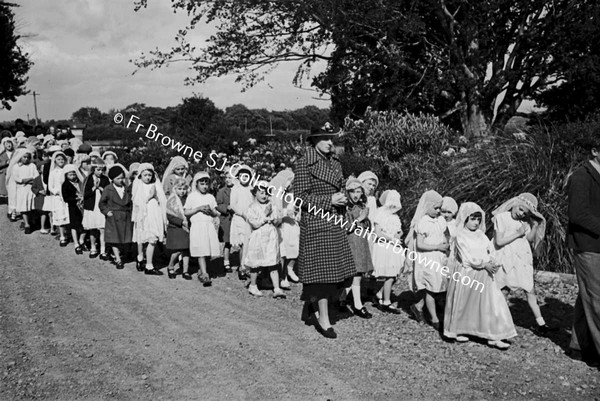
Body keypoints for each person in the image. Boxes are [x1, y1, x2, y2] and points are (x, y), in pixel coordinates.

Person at [295, 123, 356, 339]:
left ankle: (314, 307)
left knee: (337, 272)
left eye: (332, 138)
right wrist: (328, 200)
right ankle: (323, 319)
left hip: (335, 221)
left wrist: (344, 195)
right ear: (313, 141)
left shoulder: (334, 162)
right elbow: (299, 197)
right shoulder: (304, 163)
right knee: (322, 275)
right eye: (325, 139)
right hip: (317, 222)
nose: (331, 142)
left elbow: (340, 186)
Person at [443, 202, 517, 350]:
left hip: (485, 273)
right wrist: (483, 264)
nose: (476, 223)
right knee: (465, 302)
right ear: (465, 219)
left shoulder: (481, 235)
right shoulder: (460, 236)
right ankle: (459, 329)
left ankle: (494, 335)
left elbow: (490, 249)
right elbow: (466, 257)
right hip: (468, 273)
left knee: (492, 302)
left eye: (478, 219)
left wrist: (493, 261)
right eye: (472, 219)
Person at [492, 193, 551, 334]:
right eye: (520, 209)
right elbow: (499, 241)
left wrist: (534, 226)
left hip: (522, 258)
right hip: (506, 256)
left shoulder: (524, 221)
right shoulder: (502, 218)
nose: (521, 214)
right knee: (504, 289)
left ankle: (541, 323)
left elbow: (528, 239)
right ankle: (498, 323)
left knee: (530, 289)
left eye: (525, 212)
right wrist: (518, 233)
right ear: (514, 204)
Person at [567, 137, 600, 366]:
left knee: (587, 295)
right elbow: (577, 215)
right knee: (597, 299)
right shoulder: (581, 177)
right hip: (588, 246)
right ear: (595, 151)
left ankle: (579, 345)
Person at [406, 190, 449, 326]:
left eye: (439, 208)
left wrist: (446, 245)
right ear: (426, 207)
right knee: (431, 288)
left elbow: (444, 235)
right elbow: (420, 244)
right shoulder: (423, 222)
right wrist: (437, 246)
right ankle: (434, 318)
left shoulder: (440, 221)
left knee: (438, 286)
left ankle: (419, 306)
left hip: (439, 257)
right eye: (435, 208)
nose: (438, 211)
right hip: (428, 258)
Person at [244, 180, 286, 298]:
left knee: (272, 262)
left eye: (267, 193)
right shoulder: (252, 207)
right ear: (255, 193)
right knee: (256, 263)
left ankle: (276, 288)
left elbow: (277, 220)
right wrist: (265, 215)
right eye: (261, 193)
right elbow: (255, 223)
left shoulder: (272, 205)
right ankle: (253, 285)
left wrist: (276, 220)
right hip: (258, 237)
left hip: (271, 237)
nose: (264, 196)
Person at [340, 177, 374, 318]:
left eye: (358, 191)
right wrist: (360, 219)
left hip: (361, 243)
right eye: (352, 191)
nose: (356, 195)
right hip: (351, 243)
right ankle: (357, 304)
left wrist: (366, 220)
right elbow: (346, 227)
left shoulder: (361, 207)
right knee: (354, 275)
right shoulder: (345, 208)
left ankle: (342, 299)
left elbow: (366, 227)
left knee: (357, 275)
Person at [370, 189, 404, 314]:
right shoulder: (380, 213)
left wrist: (399, 235)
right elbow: (378, 233)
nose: (394, 206)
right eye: (392, 202)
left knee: (395, 273)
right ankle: (386, 302)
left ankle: (380, 294)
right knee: (390, 275)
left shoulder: (395, 216)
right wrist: (392, 239)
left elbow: (398, 230)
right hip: (384, 246)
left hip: (393, 247)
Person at [184, 172, 221, 286]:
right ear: (196, 184)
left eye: (206, 184)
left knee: (207, 249)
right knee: (201, 250)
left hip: (207, 226)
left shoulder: (210, 197)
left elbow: (216, 213)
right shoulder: (192, 196)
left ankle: (201, 270)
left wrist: (211, 211)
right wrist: (199, 208)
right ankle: (205, 274)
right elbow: (186, 212)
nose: (204, 186)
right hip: (197, 226)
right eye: (202, 183)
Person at [131, 163, 167, 275]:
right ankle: (141, 258)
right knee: (141, 237)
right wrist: (149, 197)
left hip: (154, 216)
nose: (147, 177)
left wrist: (155, 196)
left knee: (152, 239)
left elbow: (162, 201)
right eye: (145, 175)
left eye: (149, 175)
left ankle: (148, 264)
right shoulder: (138, 186)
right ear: (140, 175)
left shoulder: (156, 185)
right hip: (143, 217)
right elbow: (137, 202)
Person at [99, 165, 133, 269]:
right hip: (114, 216)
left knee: (126, 238)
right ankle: (118, 259)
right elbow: (102, 203)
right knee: (115, 238)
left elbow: (130, 202)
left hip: (126, 216)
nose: (121, 180)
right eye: (118, 178)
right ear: (112, 179)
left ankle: (122, 254)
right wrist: (106, 211)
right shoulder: (108, 189)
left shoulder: (127, 189)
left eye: (122, 178)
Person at [270, 169, 300, 288]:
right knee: (284, 251)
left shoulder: (294, 195)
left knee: (295, 248)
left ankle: (290, 267)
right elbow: (277, 209)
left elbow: (297, 207)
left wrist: (297, 212)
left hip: (293, 225)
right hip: (283, 225)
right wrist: (286, 212)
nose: (291, 186)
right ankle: (283, 276)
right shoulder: (279, 194)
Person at [229, 165, 254, 280]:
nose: (244, 178)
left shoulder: (251, 189)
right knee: (243, 244)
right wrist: (243, 213)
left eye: (247, 176)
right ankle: (242, 268)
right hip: (240, 218)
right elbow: (233, 205)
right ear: (238, 177)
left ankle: (249, 268)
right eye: (242, 176)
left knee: (250, 244)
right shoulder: (235, 189)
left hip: (250, 219)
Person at [82, 158, 110, 259]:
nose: (100, 172)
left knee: (102, 228)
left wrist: (101, 188)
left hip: (101, 207)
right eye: (98, 169)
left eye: (102, 170)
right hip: (91, 207)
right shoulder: (89, 179)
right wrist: (94, 188)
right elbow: (85, 194)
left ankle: (103, 250)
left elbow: (108, 193)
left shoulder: (105, 179)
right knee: (93, 229)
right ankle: (93, 248)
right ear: (93, 169)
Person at [165, 177, 191, 280]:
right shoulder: (171, 200)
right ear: (175, 189)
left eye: (184, 189)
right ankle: (171, 266)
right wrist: (181, 222)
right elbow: (170, 215)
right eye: (179, 189)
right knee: (177, 250)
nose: (182, 191)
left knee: (186, 250)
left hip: (187, 227)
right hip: (176, 227)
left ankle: (185, 270)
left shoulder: (188, 198)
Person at [12, 147, 38, 234]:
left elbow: (36, 177)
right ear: (20, 157)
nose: (26, 159)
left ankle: (31, 221)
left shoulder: (32, 166)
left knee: (30, 206)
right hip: (22, 189)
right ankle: (27, 224)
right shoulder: (16, 167)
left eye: (28, 157)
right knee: (23, 207)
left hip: (31, 189)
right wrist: (28, 179)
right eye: (24, 157)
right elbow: (17, 179)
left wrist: (27, 180)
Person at [61, 164, 86, 254]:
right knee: (74, 225)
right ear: (66, 175)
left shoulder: (80, 182)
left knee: (84, 224)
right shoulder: (65, 185)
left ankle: (81, 240)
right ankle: (76, 243)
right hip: (73, 207)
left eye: (74, 174)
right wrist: (76, 198)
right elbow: (66, 198)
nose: (72, 176)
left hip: (83, 206)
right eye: (70, 175)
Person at [47, 151, 70, 246]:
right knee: (60, 215)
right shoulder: (53, 173)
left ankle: (68, 233)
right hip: (58, 197)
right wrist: (56, 191)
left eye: (62, 159)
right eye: (58, 159)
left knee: (68, 214)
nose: (61, 161)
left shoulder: (67, 170)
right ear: (55, 161)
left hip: (67, 196)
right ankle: (62, 236)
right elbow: (50, 186)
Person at [215, 168, 234, 273]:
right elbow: (218, 204)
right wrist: (227, 207)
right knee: (228, 242)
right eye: (226, 178)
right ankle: (226, 262)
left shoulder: (238, 190)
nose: (228, 180)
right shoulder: (221, 191)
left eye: (230, 178)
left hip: (237, 218)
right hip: (227, 218)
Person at [31, 160, 49, 232]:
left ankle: (52, 228)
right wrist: (39, 191)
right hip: (40, 198)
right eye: (43, 168)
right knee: (43, 213)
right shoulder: (37, 179)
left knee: (50, 213)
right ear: (39, 170)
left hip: (48, 197)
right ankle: (42, 227)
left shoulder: (49, 177)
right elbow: (33, 188)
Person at [0, 136, 16, 203]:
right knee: (5, 192)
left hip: (13, 174)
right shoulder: (1, 155)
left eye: (10, 143)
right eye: (6, 144)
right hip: (4, 174)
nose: (9, 145)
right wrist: (5, 162)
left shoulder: (15, 153)